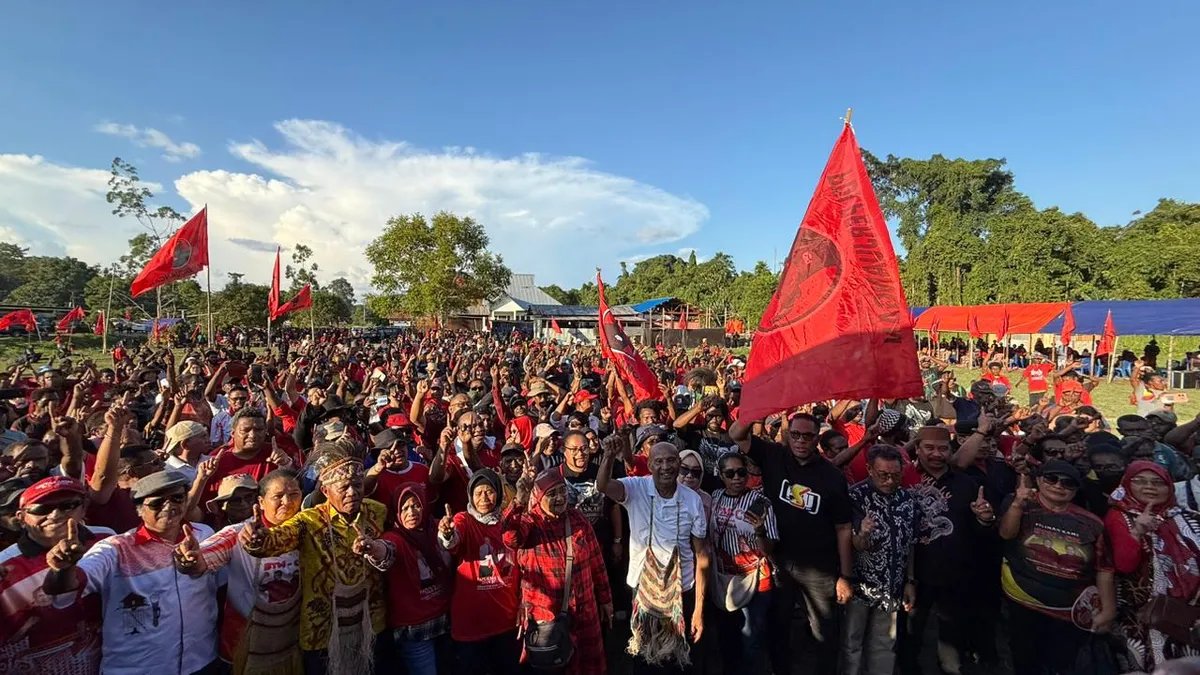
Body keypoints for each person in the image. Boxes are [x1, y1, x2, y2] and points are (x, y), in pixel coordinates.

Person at [41, 470, 221, 674]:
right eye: (157, 503)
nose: (169, 506)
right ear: (139, 510)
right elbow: (65, 588)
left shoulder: (205, 535)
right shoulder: (115, 549)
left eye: (177, 498)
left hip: (202, 662)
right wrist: (63, 569)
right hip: (137, 669)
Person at [241, 453, 387, 675]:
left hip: (372, 623)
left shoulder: (377, 511)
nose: (352, 492)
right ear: (326, 491)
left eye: (357, 485)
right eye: (344, 487)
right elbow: (275, 541)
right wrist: (257, 539)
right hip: (322, 631)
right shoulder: (308, 521)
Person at [729, 413, 853, 675]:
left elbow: (843, 528)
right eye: (795, 434)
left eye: (807, 436)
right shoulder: (773, 455)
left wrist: (845, 576)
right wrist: (756, 410)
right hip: (780, 562)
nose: (800, 441)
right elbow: (736, 434)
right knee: (779, 627)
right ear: (788, 434)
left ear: (817, 438)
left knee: (824, 632)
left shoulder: (832, 476)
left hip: (820, 567)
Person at [597, 438, 709, 673]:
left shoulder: (692, 500)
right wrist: (608, 456)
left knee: (680, 661)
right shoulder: (635, 487)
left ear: (678, 464)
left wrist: (698, 609)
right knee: (645, 660)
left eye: (671, 460)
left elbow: (702, 556)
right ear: (649, 465)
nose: (665, 467)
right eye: (658, 461)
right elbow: (603, 485)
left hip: (682, 591)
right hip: (643, 590)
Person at [179, 469, 304, 674]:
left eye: (293, 494)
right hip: (244, 646)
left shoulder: (309, 530)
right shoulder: (237, 533)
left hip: (293, 642)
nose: (287, 502)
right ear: (261, 502)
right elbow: (201, 561)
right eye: (278, 496)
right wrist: (189, 559)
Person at [999, 460, 1118, 674]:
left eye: (1068, 483)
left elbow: (1104, 569)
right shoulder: (1021, 504)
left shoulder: (1092, 523)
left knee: (1064, 663)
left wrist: (1108, 609)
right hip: (1024, 601)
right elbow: (1006, 534)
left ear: (1076, 490)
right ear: (1038, 480)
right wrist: (1017, 504)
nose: (1058, 486)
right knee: (1024, 659)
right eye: (1051, 479)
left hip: (1069, 610)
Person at [900, 424, 994, 675]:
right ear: (917, 449)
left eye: (943, 449)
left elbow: (980, 532)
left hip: (956, 572)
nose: (936, 454)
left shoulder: (967, 484)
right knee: (910, 630)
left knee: (952, 633)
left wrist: (985, 519)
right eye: (929, 448)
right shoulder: (903, 479)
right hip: (914, 573)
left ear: (951, 451)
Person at [502, 467, 613, 675]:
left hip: (584, 613)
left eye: (562, 491)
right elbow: (510, 538)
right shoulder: (530, 522)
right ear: (538, 497)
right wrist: (519, 500)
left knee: (588, 668)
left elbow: (596, 561)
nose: (560, 498)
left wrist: (605, 599)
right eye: (552, 494)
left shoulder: (578, 519)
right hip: (547, 618)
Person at [0, 476, 114, 672]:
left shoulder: (106, 539)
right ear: (21, 518)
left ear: (84, 508)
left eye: (68, 505)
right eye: (41, 509)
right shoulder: (4, 565)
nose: (55, 515)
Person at [1104, 461, 1200, 671]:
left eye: (1158, 482)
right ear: (1128, 484)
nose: (1149, 487)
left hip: (1187, 614)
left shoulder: (1183, 516)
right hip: (1143, 615)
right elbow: (1124, 565)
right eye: (1140, 481)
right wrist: (1137, 532)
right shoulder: (1120, 516)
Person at [842, 445, 921, 675]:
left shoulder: (907, 499)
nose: (889, 480)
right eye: (883, 474)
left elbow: (910, 543)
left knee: (885, 643)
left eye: (896, 475)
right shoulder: (855, 497)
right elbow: (855, 544)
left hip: (892, 585)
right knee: (852, 642)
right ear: (869, 469)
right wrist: (863, 533)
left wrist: (910, 580)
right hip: (860, 586)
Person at [360, 484, 452, 675]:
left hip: (445, 623)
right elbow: (386, 551)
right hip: (415, 631)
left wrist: (449, 534)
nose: (411, 512)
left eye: (416, 505)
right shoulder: (395, 539)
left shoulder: (438, 527)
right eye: (404, 508)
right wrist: (373, 549)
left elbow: (453, 541)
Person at [439, 469, 521, 675]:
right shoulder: (464, 519)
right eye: (478, 493)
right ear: (470, 496)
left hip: (506, 621)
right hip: (471, 625)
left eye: (489, 492)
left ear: (499, 494)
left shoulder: (508, 523)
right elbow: (452, 541)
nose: (484, 498)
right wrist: (447, 534)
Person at [708, 451, 777, 674]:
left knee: (751, 639)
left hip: (755, 579)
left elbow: (769, 549)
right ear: (721, 475)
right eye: (730, 473)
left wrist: (760, 531)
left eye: (741, 472)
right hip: (725, 578)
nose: (737, 478)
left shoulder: (761, 502)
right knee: (727, 636)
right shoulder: (715, 497)